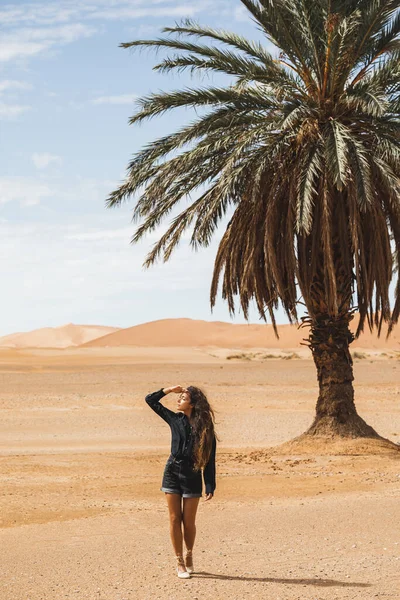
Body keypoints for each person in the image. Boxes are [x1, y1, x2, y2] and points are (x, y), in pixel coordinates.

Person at [145, 385, 217, 579]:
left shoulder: (205, 426)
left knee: (188, 521)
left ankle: (189, 553)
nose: (178, 401)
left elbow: (210, 457)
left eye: (183, 398)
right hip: (172, 471)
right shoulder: (174, 419)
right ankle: (179, 561)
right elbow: (150, 400)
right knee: (175, 518)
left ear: (192, 404)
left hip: (193, 474)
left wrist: (209, 484)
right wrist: (168, 390)